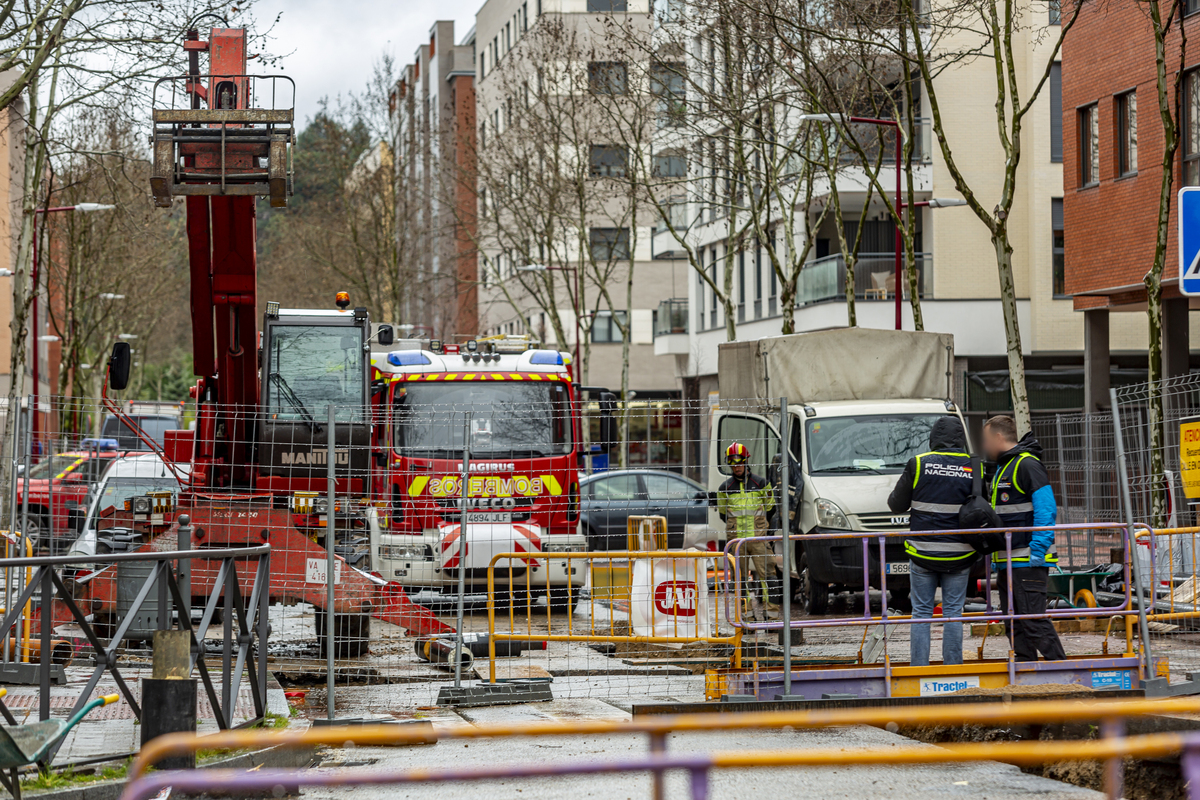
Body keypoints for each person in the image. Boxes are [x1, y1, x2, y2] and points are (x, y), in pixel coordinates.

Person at [888, 417, 979, 667]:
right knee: (953, 614)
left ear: (933, 438)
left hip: (923, 553)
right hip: (960, 555)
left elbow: (896, 504)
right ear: (960, 438)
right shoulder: (974, 466)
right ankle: (953, 670)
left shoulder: (918, 463)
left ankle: (919, 670)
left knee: (921, 615)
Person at [982, 415, 1066, 662]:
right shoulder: (1005, 466)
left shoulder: (1026, 465)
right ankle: (1025, 667)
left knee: (1032, 620)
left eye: (987, 440)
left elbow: (1046, 509)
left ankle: (1063, 672)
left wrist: (1037, 549)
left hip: (1027, 560)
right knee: (1014, 621)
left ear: (998, 437)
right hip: (1010, 561)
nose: (985, 446)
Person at [717, 441, 778, 621]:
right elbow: (723, 514)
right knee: (739, 580)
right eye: (733, 464)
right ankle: (747, 617)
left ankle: (771, 617)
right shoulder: (725, 489)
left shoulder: (761, 484)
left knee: (769, 576)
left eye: (740, 463)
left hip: (758, 540)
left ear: (746, 461)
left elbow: (771, 509)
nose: (737, 468)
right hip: (737, 543)